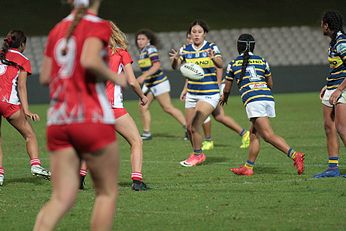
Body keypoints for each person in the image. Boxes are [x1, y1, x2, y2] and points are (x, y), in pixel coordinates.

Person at [33, 0, 126, 230]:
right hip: (90, 117)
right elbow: (89, 59)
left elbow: (45, 77)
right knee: (106, 193)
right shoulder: (99, 25)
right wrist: (116, 78)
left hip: (58, 120)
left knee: (61, 198)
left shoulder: (56, 29)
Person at [220, 34, 305, 176]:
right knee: (254, 134)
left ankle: (295, 155)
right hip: (267, 97)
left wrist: (225, 97)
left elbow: (227, 88)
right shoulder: (261, 61)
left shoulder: (233, 63)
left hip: (254, 101)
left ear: (238, 47)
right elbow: (270, 83)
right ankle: (248, 167)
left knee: (268, 135)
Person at [79, 21, 148, 191]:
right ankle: (137, 182)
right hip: (113, 107)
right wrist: (142, 96)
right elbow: (132, 81)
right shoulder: (121, 53)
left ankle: (79, 178)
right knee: (136, 141)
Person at [170, 19, 249, 167]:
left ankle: (198, 154)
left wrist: (213, 58)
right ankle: (197, 151)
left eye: (200, 32)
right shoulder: (185, 49)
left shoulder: (211, 47)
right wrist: (175, 60)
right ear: (190, 34)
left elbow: (220, 64)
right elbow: (176, 67)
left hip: (209, 93)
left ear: (205, 34)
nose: (196, 35)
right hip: (192, 93)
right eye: (194, 32)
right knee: (189, 128)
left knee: (195, 125)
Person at [182, 32, 250, 151]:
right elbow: (191, 74)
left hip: (212, 88)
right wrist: (185, 89)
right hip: (202, 89)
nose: (190, 40)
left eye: (190, 37)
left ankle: (208, 141)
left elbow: (219, 68)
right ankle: (244, 134)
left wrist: (217, 87)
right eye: (188, 37)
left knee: (203, 114)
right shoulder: (189, 53)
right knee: (219, 116)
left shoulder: (208, 49)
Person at [0, 30, 51, 186]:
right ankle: (35, 165)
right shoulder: (23, 60)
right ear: (22, 44)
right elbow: (21, 87)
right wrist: (27, 110)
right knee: (30, 135)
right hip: (8, 102)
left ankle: (0, 175)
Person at [135, 29, 187, 140]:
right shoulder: (142, 51)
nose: (139, 41)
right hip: (150, 84)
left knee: (168, 108)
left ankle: (188, 128)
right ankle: (146, 133)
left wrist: (143, 77)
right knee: (143, 106)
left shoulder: (151, 49)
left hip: (159, 82)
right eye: (138, 39)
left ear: (148, 40)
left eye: (142, 39)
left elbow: (157, 65)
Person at [314, 11, 346, 178]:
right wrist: (327, 85)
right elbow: (337, 67)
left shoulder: (342, 42)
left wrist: (339, 89)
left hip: (342, 88)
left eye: (322, 23)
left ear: (326, 25)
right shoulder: (334, 42)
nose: (321, 26)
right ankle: (333, 168)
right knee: (329, 127)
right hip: (332, 87)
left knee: (341, 127)